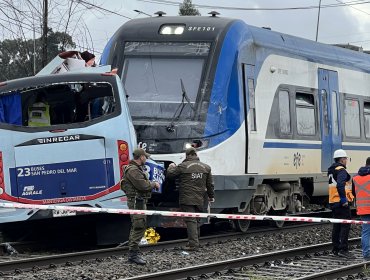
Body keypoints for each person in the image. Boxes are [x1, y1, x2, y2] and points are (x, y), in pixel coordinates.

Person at [167, 147, 215, 251]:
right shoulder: (206, 167)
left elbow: (170, 175)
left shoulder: (183, 166)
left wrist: (170, 167)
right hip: (199, 198)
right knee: (196, 220)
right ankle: (195, 241)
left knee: (190, 220)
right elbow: (210, 184)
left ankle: (193, 245)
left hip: (187, 199)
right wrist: (211, 196)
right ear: (196, 155)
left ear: (187, 155)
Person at [121, 148, 160, 265]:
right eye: (145, 156)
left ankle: (134, 253)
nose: (146, 158)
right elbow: (143, 186)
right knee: (139, 226)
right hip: (136, 202)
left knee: (139, 226)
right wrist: (154, 184)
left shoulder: (135, 169)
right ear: (141, 157)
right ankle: (133, 255)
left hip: (138, 201)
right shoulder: (133, 170)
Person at [328, 149, 354, 258]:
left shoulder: (331, 170)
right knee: (345, 225)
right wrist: (344, 199)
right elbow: (340, 185)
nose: (346, 160)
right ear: (342, 159)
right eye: (346, 158)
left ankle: (335, 249)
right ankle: (343, 249)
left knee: (337, 226)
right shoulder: (342, 170)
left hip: (333, 201)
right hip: (341, 202)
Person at [353, 157, 370, 260]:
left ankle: (367, 254)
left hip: (362, 209)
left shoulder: (355, 177)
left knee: (366, 232)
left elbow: (354, 193)